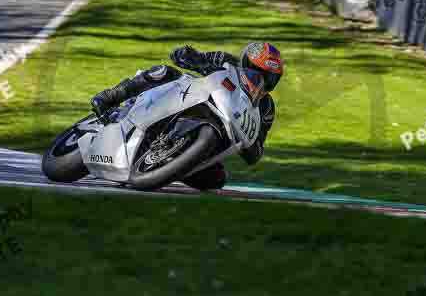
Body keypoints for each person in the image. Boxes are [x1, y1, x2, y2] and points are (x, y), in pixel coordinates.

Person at [91, 42, 284, 190]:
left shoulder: (266, 109)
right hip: (192, 101)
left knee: (217, 179)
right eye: (257, 75)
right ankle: (111, 96)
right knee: (165, 72)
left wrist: (251, 149)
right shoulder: (226, 62)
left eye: (269, 79)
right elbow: (194, 57)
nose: (262, 83)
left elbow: (258, 148)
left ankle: (171, 165)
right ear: (244, 64)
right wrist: (189, 56)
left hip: (213, 142)